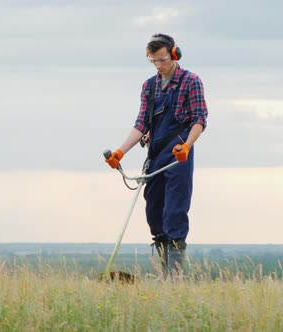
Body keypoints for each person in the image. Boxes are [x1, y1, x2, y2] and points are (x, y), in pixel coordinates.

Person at [105, 33, 208, 277]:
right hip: (155, 155)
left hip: (178, 154)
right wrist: (120, 151)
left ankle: (174, 279)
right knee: (154, 213)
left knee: (174, 213)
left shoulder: (190, 81)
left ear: (174, 54)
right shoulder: (149, 86)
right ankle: (164, 271)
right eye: (154, 61)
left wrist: (188, 145)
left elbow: (199, 120)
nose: (159, 66)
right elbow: (141, 123)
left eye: (162, 59)